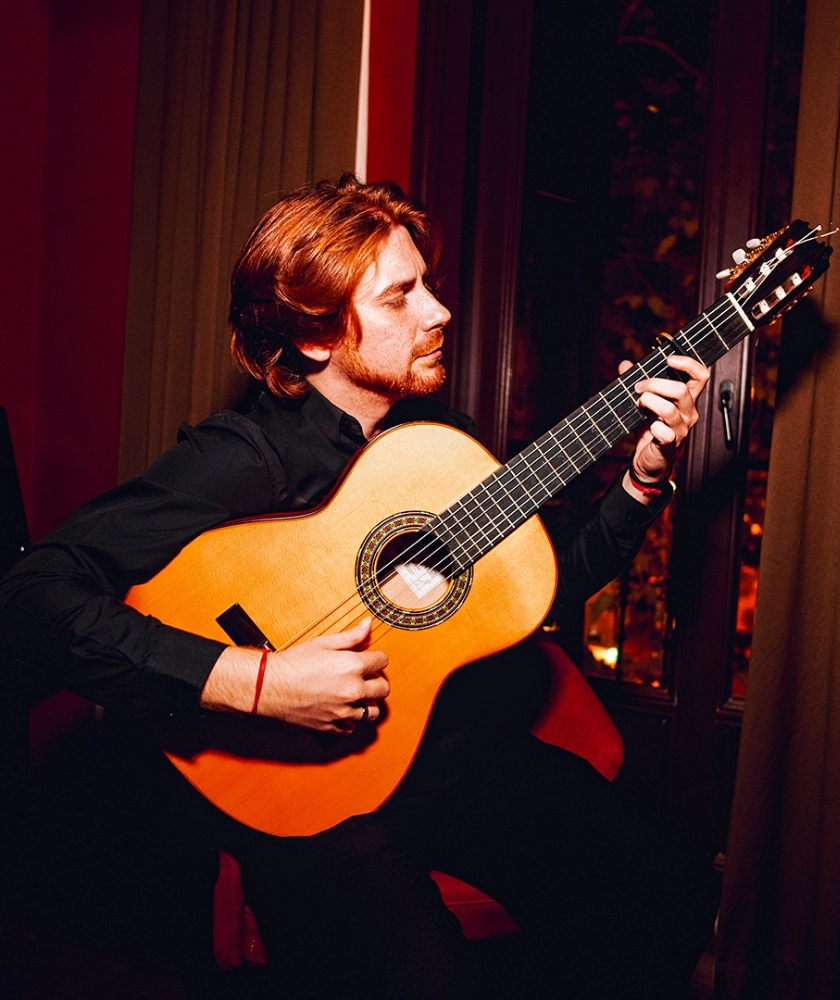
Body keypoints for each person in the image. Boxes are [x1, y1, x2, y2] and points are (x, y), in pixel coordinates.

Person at [0, 174, 716, 998]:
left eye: (428, 285)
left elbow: (542, 589)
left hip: (435, 751)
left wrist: (642, 479)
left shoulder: (437, 446)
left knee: (666, 890)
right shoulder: (241, 459)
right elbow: (30, 596)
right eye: (400, 296)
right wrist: (259, 682)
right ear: (314, 337)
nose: (439, 311)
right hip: (297, 792)